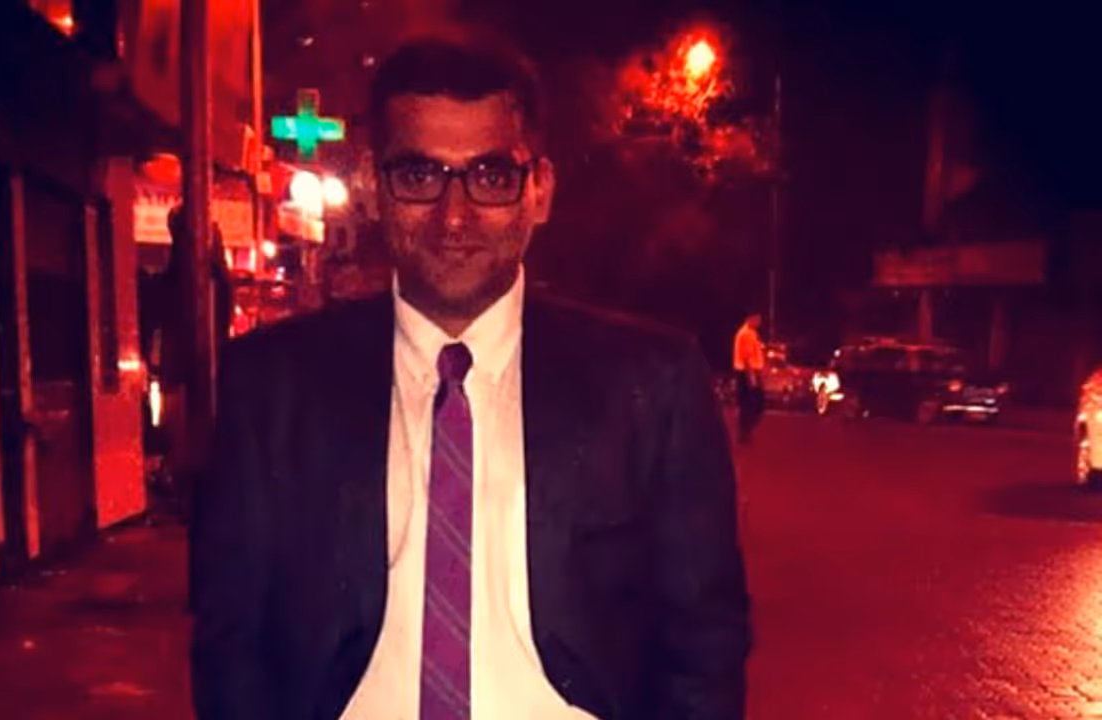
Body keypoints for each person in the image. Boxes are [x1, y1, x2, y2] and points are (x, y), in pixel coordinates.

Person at [190, 26, 751, 720]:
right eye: (419, 176)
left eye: (490, 177)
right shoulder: (273, 390)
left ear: (539, 191)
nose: (453, 217)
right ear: (372, 188)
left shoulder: (650, 387)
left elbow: (703, 645)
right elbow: (232, 647)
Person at [733, 313, 766, 444]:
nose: (759, 322)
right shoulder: (746, 334)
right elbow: (747, 358)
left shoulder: (751, 333)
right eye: (757, 319)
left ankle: (745, 431)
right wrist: (752, 378)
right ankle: (745, 430)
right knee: (753, 403)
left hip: (748, 372)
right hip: (747, 373)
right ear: (750, 318)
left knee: (749, 404)